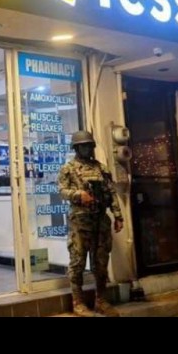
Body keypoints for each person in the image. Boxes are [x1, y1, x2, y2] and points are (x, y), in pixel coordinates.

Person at [58, 130, 124, 317]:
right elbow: (62, 191)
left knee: (101, 263)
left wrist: (118, 216)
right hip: (80, 223)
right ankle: (78, 302)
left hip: (100, 222)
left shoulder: (101, 168)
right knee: (77, 262)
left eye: (89, 145)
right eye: (83, 146)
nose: (87, 149)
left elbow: (111, 193)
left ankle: (101, 301)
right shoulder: (68, 168)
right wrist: (78, 195)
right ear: (76, 148)